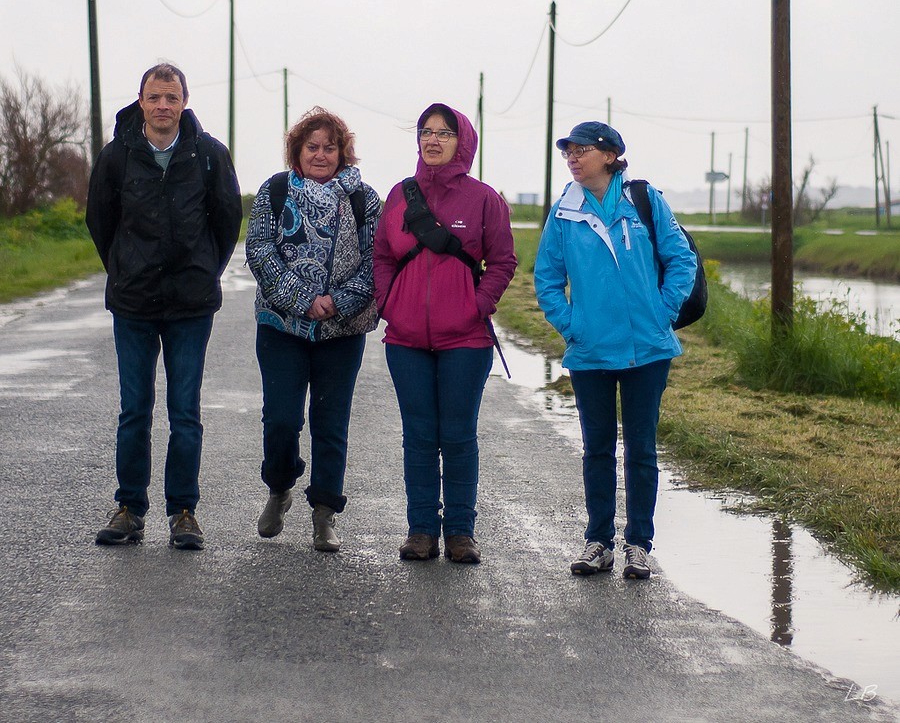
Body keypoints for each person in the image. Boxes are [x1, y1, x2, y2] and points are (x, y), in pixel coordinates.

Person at [86, 63, 242, 550]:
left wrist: (201, 273)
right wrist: (125, 268)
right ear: (140, 101)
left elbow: (225, 222)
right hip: (133, 303)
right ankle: (130, 507)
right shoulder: (116, 157)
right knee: (134, 409)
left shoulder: (210, 155)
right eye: (154, 97)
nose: (162, 107)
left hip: (190, 307)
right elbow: (100, 222)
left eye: (171, 98)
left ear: (183, 103)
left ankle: (184, 512)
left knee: (185, 412)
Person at [534, 122, 696, 579]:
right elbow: (546, 278)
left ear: (610, 155)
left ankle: (639, 544)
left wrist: (662, 312)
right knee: (597, 448)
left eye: (581, 149)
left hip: (648, 348)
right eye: (567, 150)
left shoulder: (644, 200)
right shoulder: (564, 212)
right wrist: (572, 326)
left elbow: (681, 260)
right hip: (591, 351)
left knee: (641, 448)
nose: (572, 157)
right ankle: (598, 542)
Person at [373, 103, 516, 564]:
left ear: (463, 142)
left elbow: (503, 261)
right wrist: (389, 302)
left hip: (466, 341)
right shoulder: (399, 196)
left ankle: (459, 531)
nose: (433, 141)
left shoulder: (484, 199)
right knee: (417, 434)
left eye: (444, 133)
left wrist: (478, 305)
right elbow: (382, 256)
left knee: (457, 434)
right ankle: (420, 531)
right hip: (406, 339)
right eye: (426, 132)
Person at [245, 107, 380, 552]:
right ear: (297, 151)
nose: (321, 155)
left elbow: (376, 262)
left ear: (343, 152)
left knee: (331, 422)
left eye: (330, 147)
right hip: (282, 326)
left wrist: (338, 302)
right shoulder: (275, 190)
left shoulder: (365, 199)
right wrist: (305, 300)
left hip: (341, 331)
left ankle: (324, 514)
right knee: (281, 419)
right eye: (312, 147)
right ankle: (279, 487)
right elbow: (261, 251)